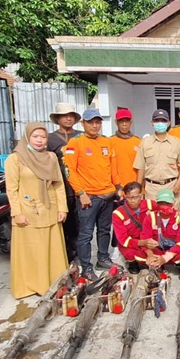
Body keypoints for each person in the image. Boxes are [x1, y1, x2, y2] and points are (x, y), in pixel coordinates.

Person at [5, 122, 69, 298]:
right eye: (35, 137)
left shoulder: (51, 157)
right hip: (28, 212)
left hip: (50, 209)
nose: (39, 141)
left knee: (51, 249)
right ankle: (32, 286)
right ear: (27, 137)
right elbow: (11, 189)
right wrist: (17, 213)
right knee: (32, 251)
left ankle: (54, 283)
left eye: (43, 137)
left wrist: (62, 208)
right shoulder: (15, 159)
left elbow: (58, 184)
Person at [63, 109, 117, 278]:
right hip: (89, 197)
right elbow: (69, 170)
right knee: (86, 234)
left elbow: (112, 167)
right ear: (83, 123)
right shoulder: (75, 143)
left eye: (97, 122)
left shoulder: (106, 142)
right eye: (91, 122)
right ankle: (86, 266)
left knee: (104, 230)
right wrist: (80, 193)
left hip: (107, 195)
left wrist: (118, 187)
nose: (95, 125)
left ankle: (103, 257)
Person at [47, 102, 82, 259]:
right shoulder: (50, 139)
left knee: (81, 225)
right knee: (64, 223)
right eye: (64, 116)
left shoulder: (81, 136)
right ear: (58, 118)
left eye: (71, 116)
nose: (68, 119)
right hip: (61, 187)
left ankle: (80, 256)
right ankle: (65, 256)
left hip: (81, 187)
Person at [135, 109, 180, 203]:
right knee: (152, 215)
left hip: (171, 186)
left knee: (173, 215)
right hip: (151, 188)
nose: (160, 123)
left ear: (168, 123)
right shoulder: (145, 143)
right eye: (157, 120)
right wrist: (139, 189)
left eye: (163, 121)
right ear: (152, 123)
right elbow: (140, 167)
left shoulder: (176, 142)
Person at [112, 182, 155, 273]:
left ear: (141, 195)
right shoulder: (118, 214)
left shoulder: (150, 205)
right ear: (125, 196)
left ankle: (144, 261)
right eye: (129, 197)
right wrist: (142, 243)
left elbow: (165, 211)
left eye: (135, 197)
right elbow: (123, 240)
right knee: (129, 253)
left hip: (148, 239)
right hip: (133, 242)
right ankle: (132, 263)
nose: (132, 200)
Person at [140, 189, 180, 269]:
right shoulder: (150, 217)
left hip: (174, 251)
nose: (164, 206)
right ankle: (156, 266)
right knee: (137, 253)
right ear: (157, 203)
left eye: (168, 203)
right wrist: (150, 255)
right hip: (157, 250)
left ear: (174, 203)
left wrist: (165, 258)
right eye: (161, 203)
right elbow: (145, 239)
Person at [109, 107, 141, 192]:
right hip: (116, 188)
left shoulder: (138, 142)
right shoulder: (109, 142)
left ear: (131, 123)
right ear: (116, 122)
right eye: (121, 121)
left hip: (134, 188)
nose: (124, 124)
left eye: (127, 121)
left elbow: (142, 167)